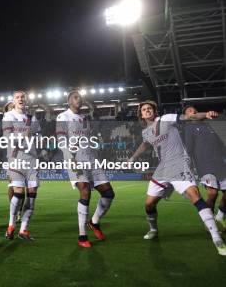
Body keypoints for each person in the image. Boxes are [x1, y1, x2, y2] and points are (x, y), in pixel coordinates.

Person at [128, 101, 226, 255]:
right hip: (162, 169)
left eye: (149, 108)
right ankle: (153, 229)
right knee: (149, 205)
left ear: (154, 110)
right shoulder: (146, 132)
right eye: (144, 110)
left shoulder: (166, 118)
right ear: (141, 115)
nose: (147, 111)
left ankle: (216, 238)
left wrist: (205, 115)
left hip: (179, 164)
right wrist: (133, 158)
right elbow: (145, 145)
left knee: (195, 195)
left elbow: (189, 117)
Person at [56, 90, 115, 248]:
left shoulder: (84, 119)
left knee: (109, 194)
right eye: (75, 97)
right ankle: (82, 236)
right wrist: (71, 158)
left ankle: (94, 222)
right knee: (85, 191)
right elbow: (61, 140)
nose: (79, 99)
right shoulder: (63, 117)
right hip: (75, 160)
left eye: (80, 97)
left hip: (91, 160)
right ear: (69, 101)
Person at [3, 90, 41, 241]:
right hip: (16, 158)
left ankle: (23, 229)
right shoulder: (9, 116)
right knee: (18, 193)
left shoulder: (33, 118)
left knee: (31, 196)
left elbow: (39, 135)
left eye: (22, 97)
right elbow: (7, 137)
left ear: (26, 100)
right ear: (13, 100)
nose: (20, 99)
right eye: (17, 97)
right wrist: (23, 135)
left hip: (32, 160)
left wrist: (40, 140)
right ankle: (11, 225)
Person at [182, 105, 226, 229]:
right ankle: (209, 221)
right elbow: (188, 150)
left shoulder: (209, 124)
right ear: (186, 116)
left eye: (194, 109)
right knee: (212, 194)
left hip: (220, 164)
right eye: (189, 111)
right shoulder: (189, 128)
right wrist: (188, 168)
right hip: (204, 165)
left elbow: (221, 145)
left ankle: (220, 217)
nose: (193, 111)